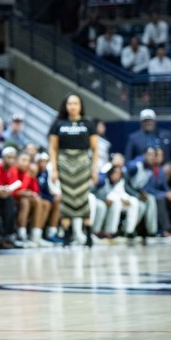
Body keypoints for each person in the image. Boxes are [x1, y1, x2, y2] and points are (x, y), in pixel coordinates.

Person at [49, 94, 98, 246]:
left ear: (80, 105)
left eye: (76, 103)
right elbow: (53, 148)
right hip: (64, 163)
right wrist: (54, 169)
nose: (72, 106)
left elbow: (95, 149)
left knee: (83, 198)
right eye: (70, 103)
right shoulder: (58, 124)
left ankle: (88, 233)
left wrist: (94, 169)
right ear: (66, 105)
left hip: (83, 163)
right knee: (66, 199)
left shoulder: (88, 124)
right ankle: (67, 233)